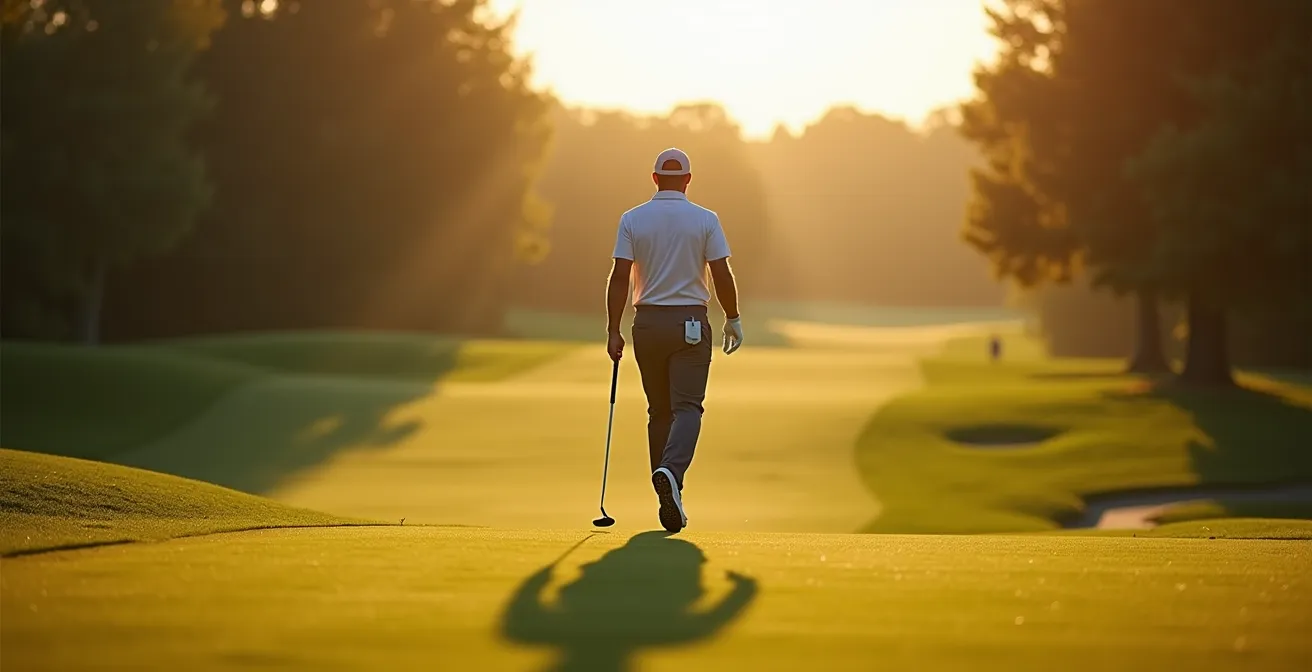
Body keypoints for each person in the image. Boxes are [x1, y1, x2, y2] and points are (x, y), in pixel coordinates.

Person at [605, 147, 743, 533]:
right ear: (687, 180)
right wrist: (732, 317)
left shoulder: (632, 219)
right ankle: (672, 474)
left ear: (654, 179)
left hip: (646, 325)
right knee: (688, 408)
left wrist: (613, 329)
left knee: (659, 411)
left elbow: (620, 277)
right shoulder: (705, 219)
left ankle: (668, 492)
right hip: (690, 325)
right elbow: (721, 273)